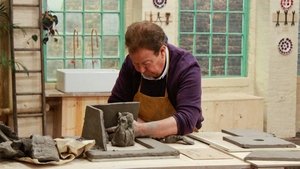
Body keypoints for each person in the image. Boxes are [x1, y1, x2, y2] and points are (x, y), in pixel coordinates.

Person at [108, 21, 203, 138]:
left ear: (162, 51)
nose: (141, 70)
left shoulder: (186, 67)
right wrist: (139, 127)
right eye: (136, 64)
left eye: (146, 64)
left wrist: (141, 129)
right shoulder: (130, 65)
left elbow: (188, 118)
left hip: (179, 138)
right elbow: (116, 105)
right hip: (140, 136)